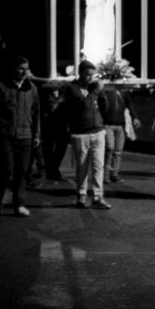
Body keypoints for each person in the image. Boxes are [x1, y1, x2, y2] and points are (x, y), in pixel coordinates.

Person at [0, 56, 40, 217]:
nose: (24, 72)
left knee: (22, 171)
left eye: (26, 69)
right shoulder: (1, 87)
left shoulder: (31, 88)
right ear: (13, 69)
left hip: (26, 136)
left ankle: (19, 204)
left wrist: (36, 134)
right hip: (5, 135)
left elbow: (36, 113)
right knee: (6, 169)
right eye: (21, 68)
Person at [62, 60, 109, 209]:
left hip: (98, 131)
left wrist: (102, 93)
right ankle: (81, 195)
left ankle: (98, 196)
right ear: (80, 73)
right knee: (82, 167)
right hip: (80, 133)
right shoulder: (72, 88)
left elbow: (105, 108)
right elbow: (84, 105)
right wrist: (96, 91)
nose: (90, 78)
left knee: (98, 166)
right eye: (88, 75)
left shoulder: (93, 88)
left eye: (92, 75)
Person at [103, 83, 140, 185]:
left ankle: (114, 175)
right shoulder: (105, 90)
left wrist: (135, 117)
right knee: (109, 148)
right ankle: (105, 175)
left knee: (118, 151)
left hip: (120, 125)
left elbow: (129, 104)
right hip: (108, 125)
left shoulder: (123, 91)